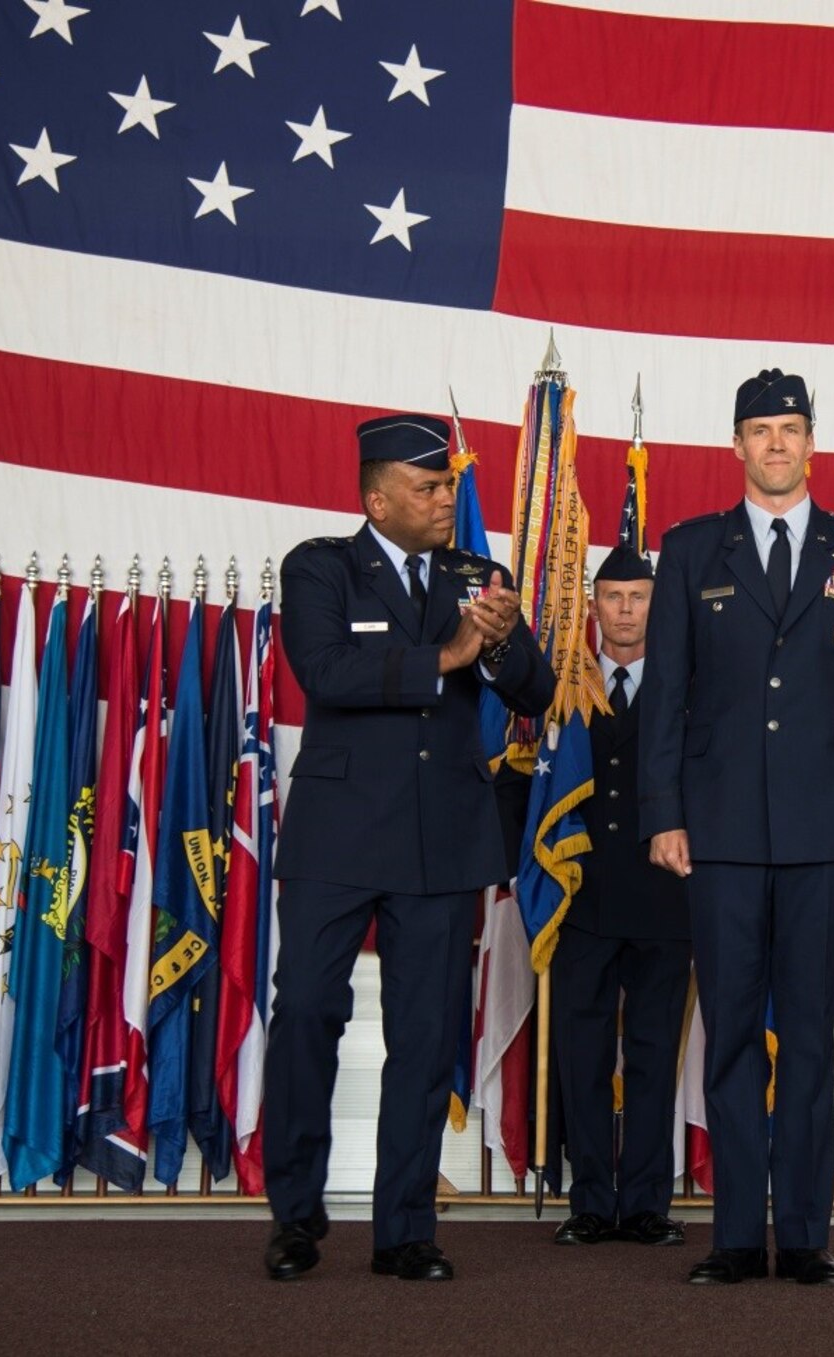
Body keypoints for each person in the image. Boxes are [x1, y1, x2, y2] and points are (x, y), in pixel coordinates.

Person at [640, 369, 834, 1286]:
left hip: (827, 832)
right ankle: (731, 1237)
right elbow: (666, 700)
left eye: (790, 428)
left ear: (813, 443)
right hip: (716, 829)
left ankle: (801, 1234)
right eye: (759, 429)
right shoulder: (689, 550)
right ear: (735, 445)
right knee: (726, 1036)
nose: (775, 444)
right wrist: (664, 815)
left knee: (805, 1034)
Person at [264, 413, 554, 1282]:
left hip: (441, 838)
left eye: (449, 486)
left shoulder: (476, 574)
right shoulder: (321, 567)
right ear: (376, 497)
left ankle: (405, 1226)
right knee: (308, 1015)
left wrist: (500, 640)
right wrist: (449, 651)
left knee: (425, 1037)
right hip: (337, 837)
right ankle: (296, 1214)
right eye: (427, 489)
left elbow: (535, 688)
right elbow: (327, 672)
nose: (445, 500)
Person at [549, 546, 691, 1249]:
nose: (627, 609)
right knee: (581, 1051)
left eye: (639, 596)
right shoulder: (562, 687)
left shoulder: (684, 686)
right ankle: (588, 1201)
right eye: (614, 596)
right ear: (594, 605)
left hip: (666, 895)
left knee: (652, 1050)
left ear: (656, 604)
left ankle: (644, 1202)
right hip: (582, 895)